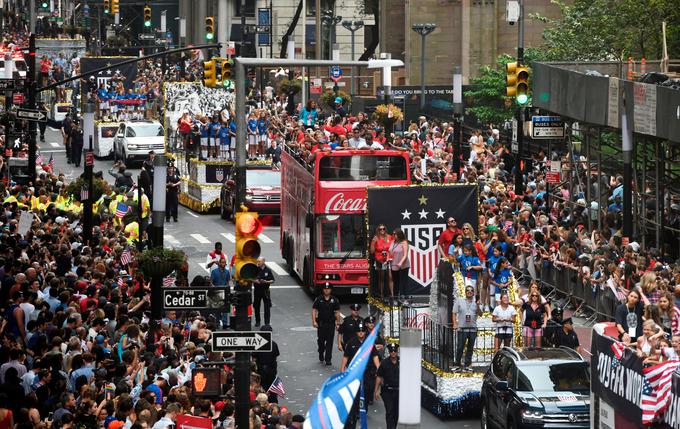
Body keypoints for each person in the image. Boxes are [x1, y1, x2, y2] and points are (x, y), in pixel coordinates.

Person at [340, 322, 380, 429]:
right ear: (356, 332)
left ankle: (364, 406)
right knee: (356, 393)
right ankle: (357, 410)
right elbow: (346, 356)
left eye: (363, 331)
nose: (361, 333)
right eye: (359, 331)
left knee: (368, 390)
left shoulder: (369, 343)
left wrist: (378, 368)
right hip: (355, 372)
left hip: (367, 372)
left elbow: (375, 356)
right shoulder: (351, 342)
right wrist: (343, 369)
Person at [451, 285, 482, 369]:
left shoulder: (476, 303)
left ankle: (467, 364)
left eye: (471, 290)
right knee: (460, 347)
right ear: (465, 292)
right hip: (462, 328)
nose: (469, 292)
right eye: (467, 290)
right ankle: (457, 364)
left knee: (470, 348)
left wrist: (478, 305)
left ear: (473, 293)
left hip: (473, 329)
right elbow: (454, 312)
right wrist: (455, 323)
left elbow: (480, 314)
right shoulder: (459, 301)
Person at [312, 283, 340, 365]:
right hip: (321, 324)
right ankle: (321, 352)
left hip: (331, 324)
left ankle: (328, 359)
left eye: (328, 289)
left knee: (330, 342)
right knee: (321, 341)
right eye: (325, 288)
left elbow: (337, 312)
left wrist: (338, 323)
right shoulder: (319, 299)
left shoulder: (334, 300)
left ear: (331, 290)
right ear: (323, 290)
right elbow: (314, 310)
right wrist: (314, 321)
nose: (326, 290)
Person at [375, 343, 399, 429]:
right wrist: (376, 391)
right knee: (389, 411)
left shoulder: (402, 363)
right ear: (389, 352)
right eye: (391, 351)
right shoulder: (384, 363)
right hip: (387, 392)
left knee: (396, 413)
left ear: (397, 352)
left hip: (398, 392)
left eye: (394, 351)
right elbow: (379, 376)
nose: (393, 353)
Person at [254, 325, 280, 403]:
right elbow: (276, 355)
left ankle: (262, 402)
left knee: (262, 389)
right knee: (272, 390)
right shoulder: (273, 344)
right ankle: (273, 403)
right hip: (271, 370)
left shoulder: (257, 344)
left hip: (260, 370)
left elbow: (254, 357)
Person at [370, 224, 393, 298]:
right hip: (379, 260)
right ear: (378, 230)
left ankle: (392, 295)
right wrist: (373, 242)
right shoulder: (376, 238)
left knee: (390, 276)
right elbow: (372, 251)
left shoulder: (390, 237)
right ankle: (381, 294)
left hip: (388, 259)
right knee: (381, 277)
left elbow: (393, 248)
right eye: (380, 229)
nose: (382, 230)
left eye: (383, 229)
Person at [253, 257, 275, 327]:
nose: (258, 263)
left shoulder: (268, 270)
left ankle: (267, 322)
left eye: (259, 261)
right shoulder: (255, 269)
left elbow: (272, 280)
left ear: (263, 262)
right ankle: (257, 321)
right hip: (257, 290)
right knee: (256, 306)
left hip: (265, 291)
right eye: (258, 261)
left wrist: (266, 281)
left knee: (267, 307)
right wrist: (255, 281)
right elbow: (251, 278)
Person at [388, 228, 410, 298]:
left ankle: (405, 298)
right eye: (393, 234)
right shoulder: (393, 242)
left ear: (399, 235)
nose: (393, 235)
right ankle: (395, 298)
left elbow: (405, 255)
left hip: (403, 265)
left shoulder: (404, 242)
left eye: (395, 234)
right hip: (394, 265)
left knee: (403, 282)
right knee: (396, 283)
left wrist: (400, 262)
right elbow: (390, 251)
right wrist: (388, 258)